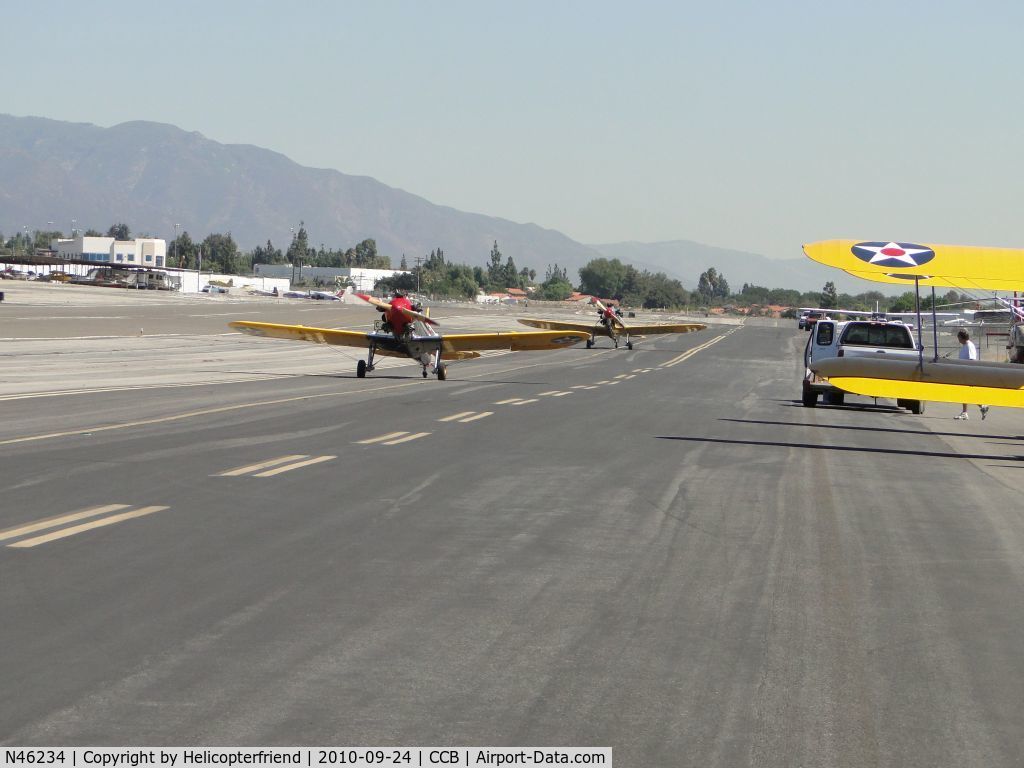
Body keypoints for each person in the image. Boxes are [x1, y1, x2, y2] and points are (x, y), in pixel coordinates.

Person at [954, 330, 989, 420]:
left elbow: (971, 360)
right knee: (966, 393)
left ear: (961, 337)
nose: (958, 340)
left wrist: (967, 373)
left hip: (968, 373)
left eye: (959, 338)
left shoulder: (969, 346)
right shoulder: (965, 346)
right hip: (964, 373)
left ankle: (969, 411)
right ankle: (980, 407)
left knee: (966, 393)